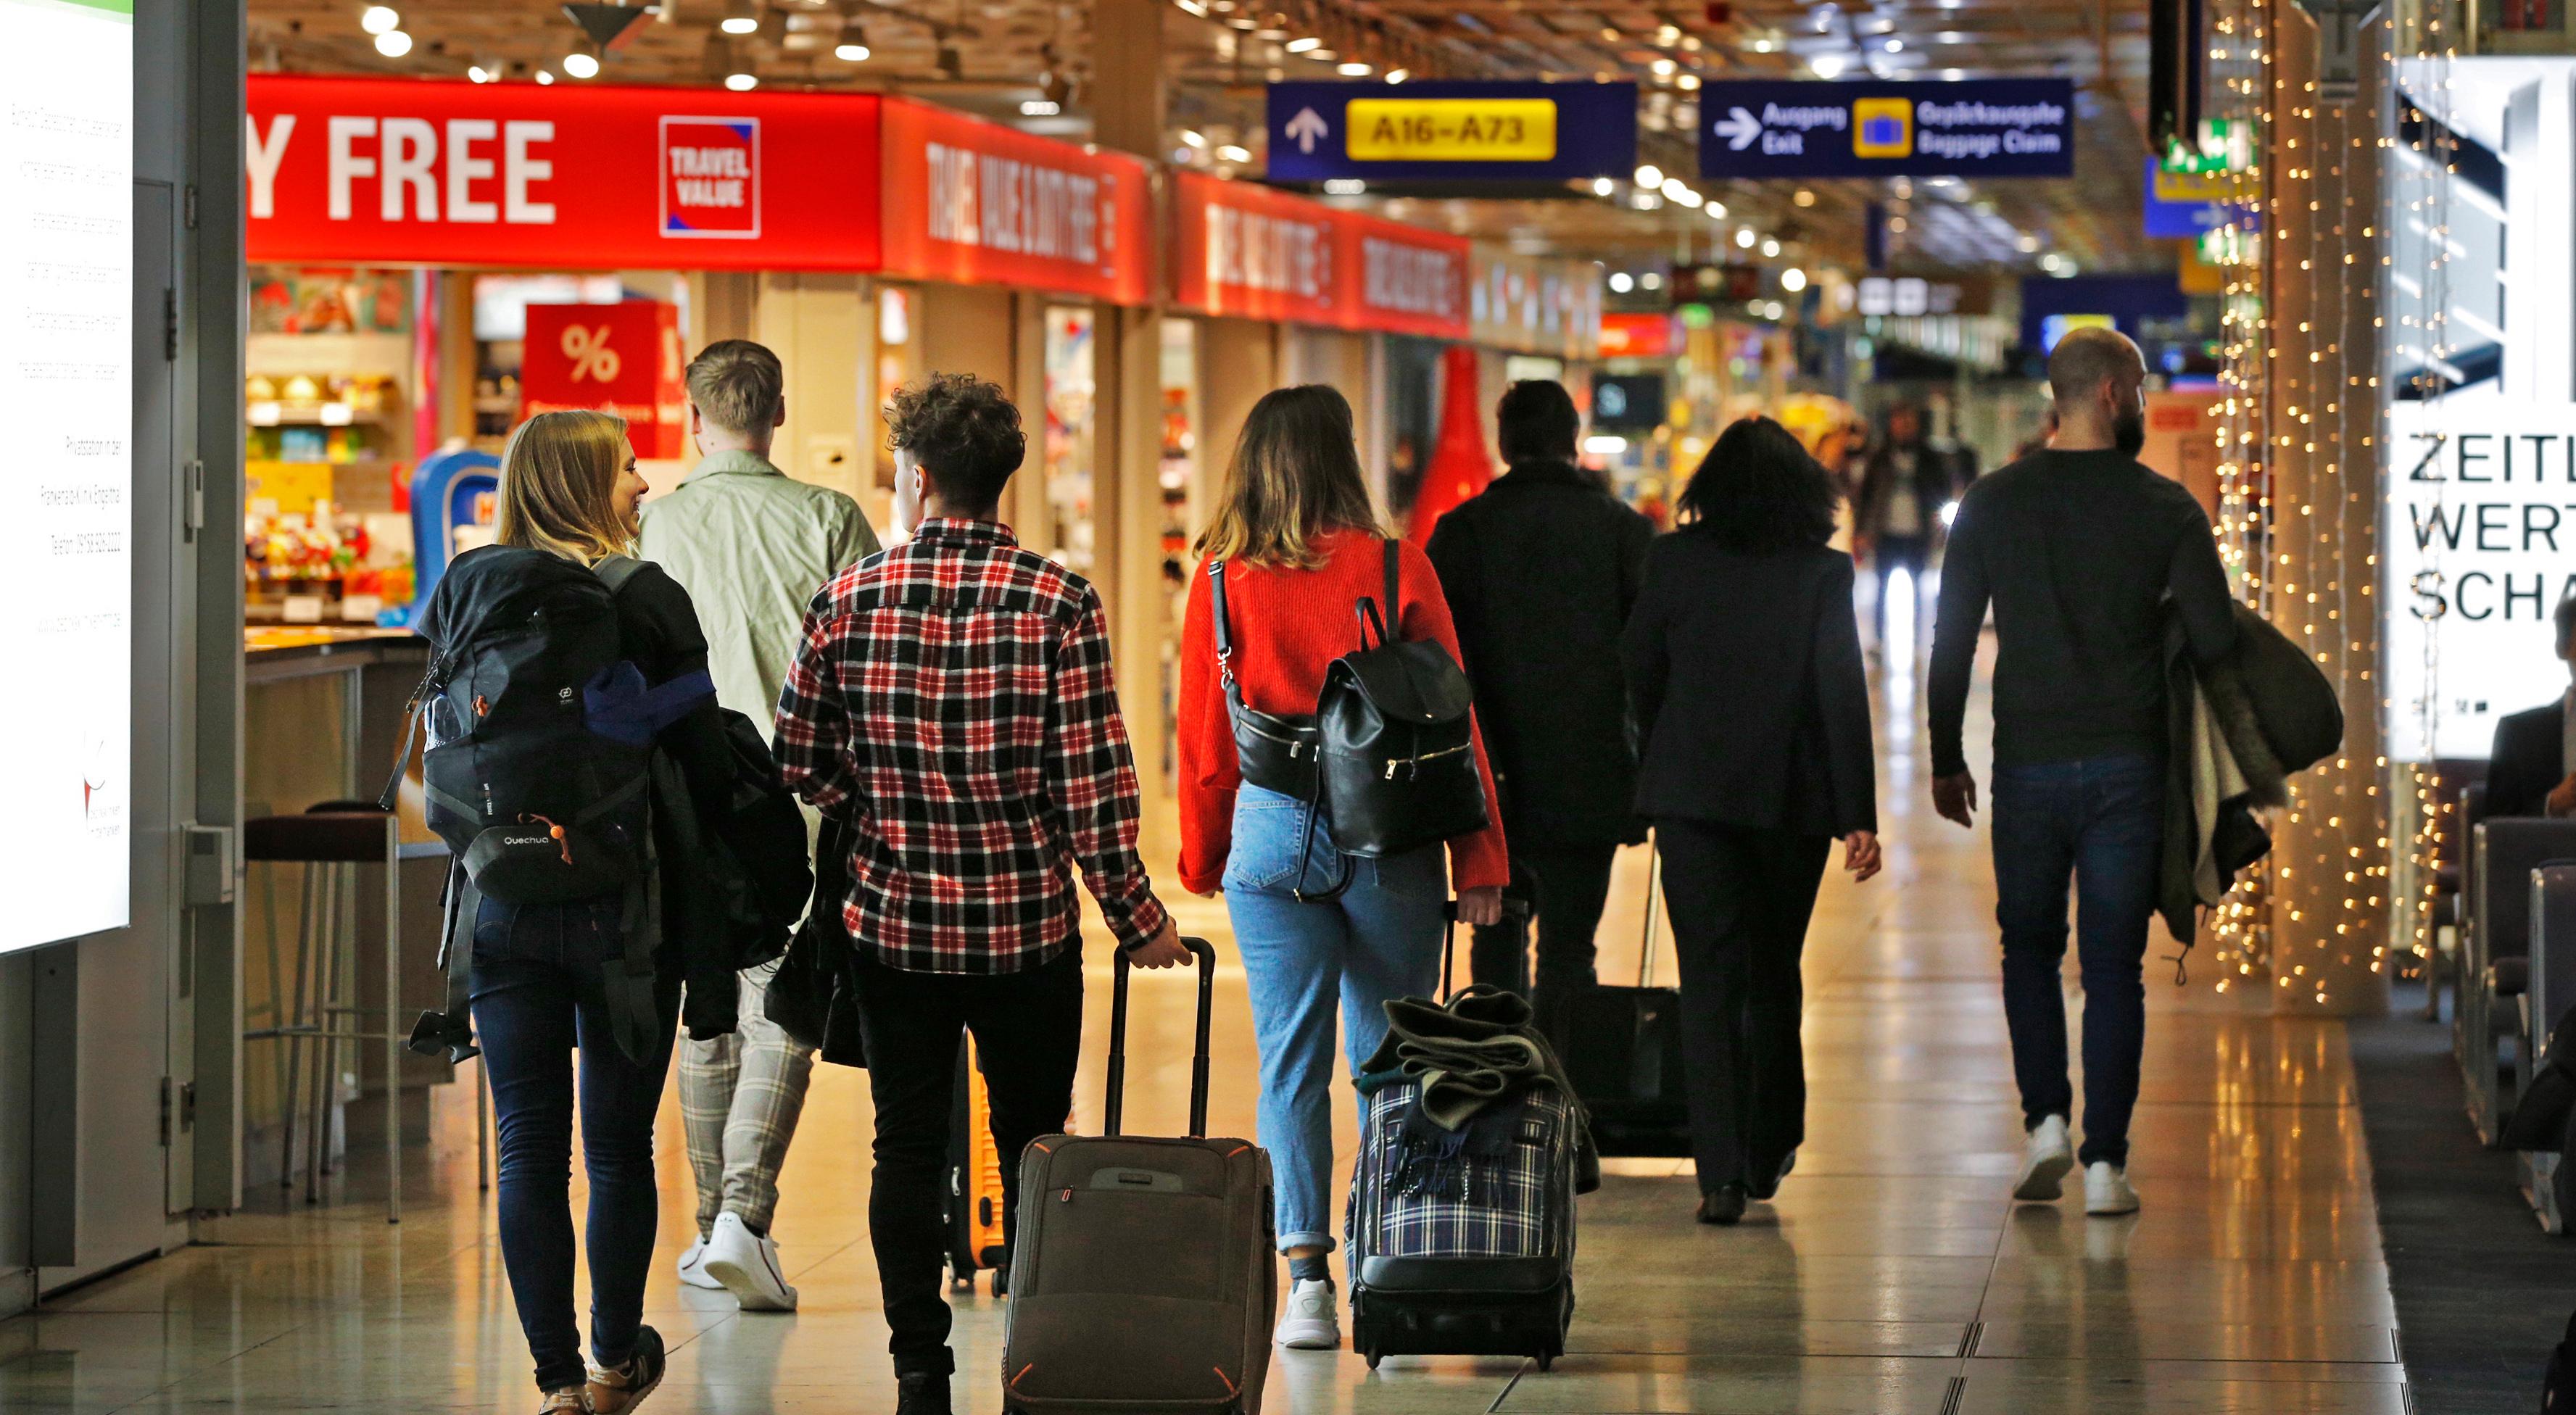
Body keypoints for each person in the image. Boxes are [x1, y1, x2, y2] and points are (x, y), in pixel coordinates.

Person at [773, 372, 1188, 1415]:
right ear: (1007, 481)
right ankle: (1036, 1351)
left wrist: (880, 807)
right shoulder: (1060, 600)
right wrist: (1139, 922)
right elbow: (1092, 788)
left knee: (904, 1146)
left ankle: (920, 1367)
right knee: (1037, 1145)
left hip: (892, 927)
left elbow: (800, 759)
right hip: (1025, 931)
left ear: (913, 479)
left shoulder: (848, 598)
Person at [1176, 384, 1510, 1353]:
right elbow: (1454, 725)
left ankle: (1307, 1283)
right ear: (1343, 457)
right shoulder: (1396, 563)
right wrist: (1479, 854)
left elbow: (1206, 740)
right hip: (1391, 836)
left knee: (1290, 1061)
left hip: (1273, 834)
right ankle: (1386, 1263)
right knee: (1389, 1059)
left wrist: (1203, 856)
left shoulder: (1220, 582)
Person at [1926, 327, 2238, 1218]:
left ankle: (2046, 1125)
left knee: (2027, 946)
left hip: (2026, 762)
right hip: (2127, 766)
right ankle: (2105, 1165)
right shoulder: (2166, 508)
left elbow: (1952, 643)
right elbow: (2216, 645)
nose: (2141, 401)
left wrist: (1944, 757)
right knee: (2111, 967)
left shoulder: (1991, 502)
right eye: (2138, 387)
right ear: (2110, 394)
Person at [475, 410, 734, 1414]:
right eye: (627, 467)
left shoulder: (473, 590)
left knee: (525, 1144)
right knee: (618, 1146)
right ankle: (617, 1359)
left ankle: (552, 1383)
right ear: (586, 485)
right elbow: (706, 759)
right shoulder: (643, 593)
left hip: (500, 904)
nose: (643, 481)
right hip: (627, 909)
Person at [639, 339, 880, 1314]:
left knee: (706, 999)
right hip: (801, 795)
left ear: (692, 416)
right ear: (776, 413)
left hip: (686, 795)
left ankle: (711, 1234)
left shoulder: (652, 527)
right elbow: (870, 661)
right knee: (785, 1000)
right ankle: (741, 1214)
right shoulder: (828, 518)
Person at [1620, 416, 1881, 1227]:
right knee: (1774, 968)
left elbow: (1637, 668)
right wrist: (1856, 813)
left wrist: (1666, 747)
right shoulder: (1821, 573)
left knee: (1708, 978)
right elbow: (1838, 689)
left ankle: (1720, 1173)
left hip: (1693, 795)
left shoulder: (1672, 558)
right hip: (1789, 800)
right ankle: (1772, 1139)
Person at [1425, 380, 1654, 1025]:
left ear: (1504, 442)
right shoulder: (1622, 532)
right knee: (1570, 951)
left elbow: (1432, 661)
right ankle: (1562, 1099)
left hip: (1489, 778)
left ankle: (1500, 1097)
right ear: (1572, 437)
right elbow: (1649, 658)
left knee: (1494, 938)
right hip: (1593, 772)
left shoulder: (1461, 533)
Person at [1855, 404, 1966, 650]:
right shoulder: (1880, 457)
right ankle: (1881, 639)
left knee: (1917, 585)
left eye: (1909, 421)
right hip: (1886, 532)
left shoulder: (1929, 458)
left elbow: (1942, 491)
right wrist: (1863, 531)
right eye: (1899, 421)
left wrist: (1939, 531)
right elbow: (1866, 496)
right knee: (1881, 585)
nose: (1904, 427)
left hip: (1917, 532)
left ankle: (1915, 637)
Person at [2486, 594, 2576, 818]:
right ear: (2563, 647)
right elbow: (2496, 826)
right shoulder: (2519, 735)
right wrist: (2552, 804)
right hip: (2550, 851)